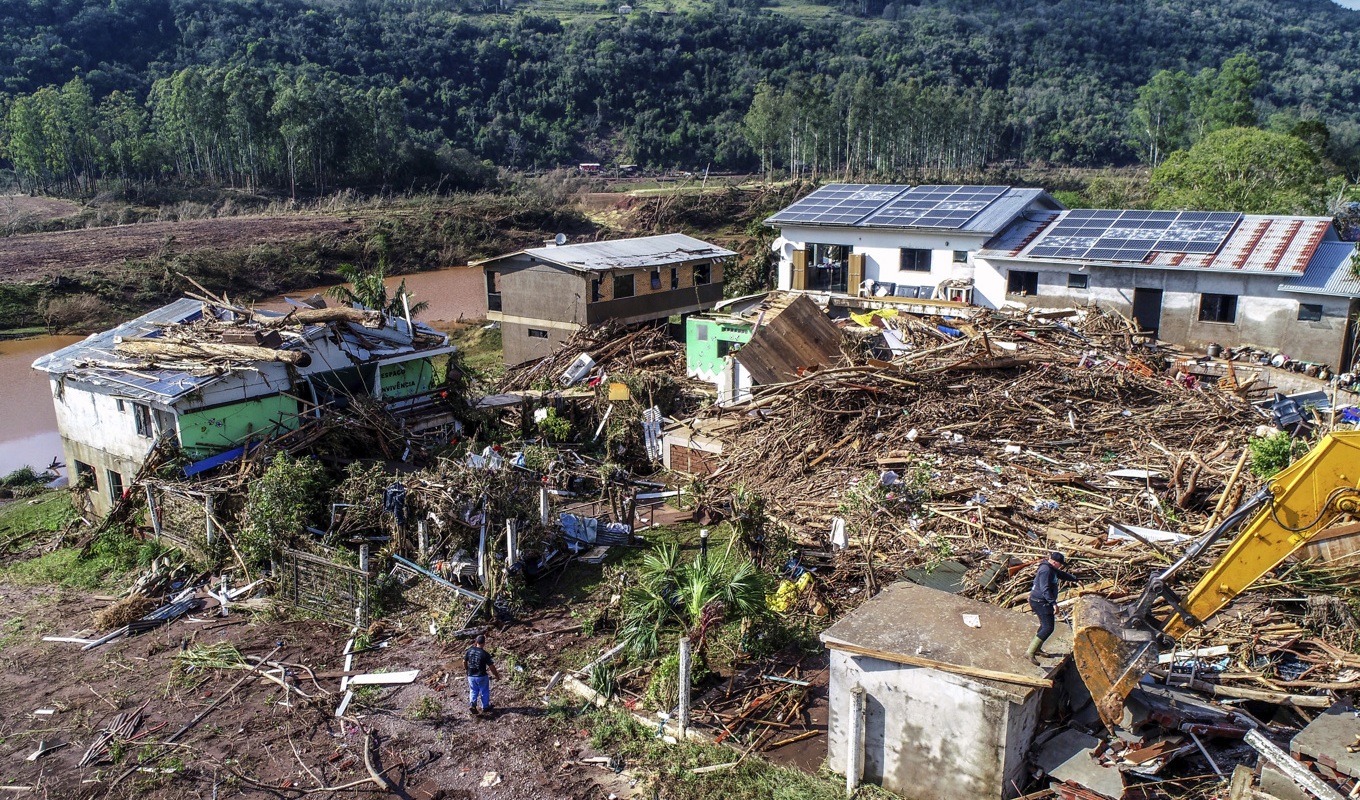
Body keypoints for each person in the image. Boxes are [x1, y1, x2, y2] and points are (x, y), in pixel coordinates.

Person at [1026, 551, 1079, 666]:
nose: (1061, 566)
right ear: (1054, 562)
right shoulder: (1046, 571)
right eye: (1060, 564)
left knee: (1045, 626)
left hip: (1043, 601)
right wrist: (1053, 603)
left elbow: (1061, 574)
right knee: (1048, 627)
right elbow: (1045, 589)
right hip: (1040, 602)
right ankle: (1030, 652)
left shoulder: (1051, 569)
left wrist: (1076, 579)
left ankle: (1037, 649)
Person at [464, 634, 501, 715]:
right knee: (484, 691)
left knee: (473, 690)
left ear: (476, 642)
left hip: (471, 675)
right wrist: (496, 675)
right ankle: (485, 707)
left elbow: (464, 661)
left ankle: (472, 704)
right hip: (481, 676)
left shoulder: (470, 650)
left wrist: (467, 669)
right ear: (484, 643)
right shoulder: (485, 654)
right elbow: (491, 666)